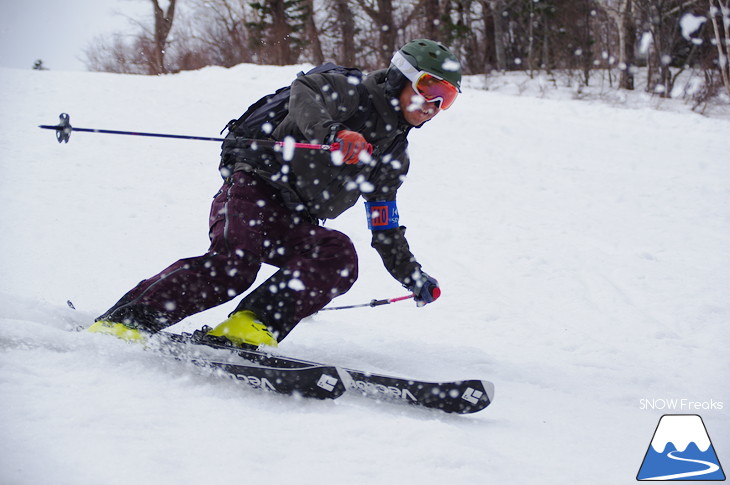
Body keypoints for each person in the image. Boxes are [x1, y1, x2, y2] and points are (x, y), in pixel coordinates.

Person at [89, 39, 461, 348]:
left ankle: (249, 326)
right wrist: (333, 133)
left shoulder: (392, 154)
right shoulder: (351, 92)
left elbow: (385, 224)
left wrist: (412, 276)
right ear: (402, 77)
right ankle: (127, 322)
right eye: (432, 89)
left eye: (447, 98)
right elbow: (306, 92)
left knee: (338, 256)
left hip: (297, 219)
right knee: (233, 267)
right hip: (254, 186)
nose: (435, 106)